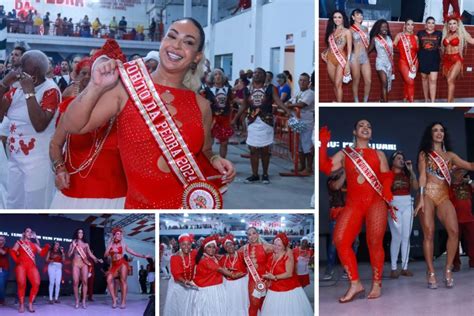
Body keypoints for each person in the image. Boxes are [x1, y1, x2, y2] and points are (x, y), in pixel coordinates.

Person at [61, 18, 236, 209]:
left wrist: (216, 159)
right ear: (162, 41)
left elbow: (205, 150)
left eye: (188, 42)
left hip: (183, 208)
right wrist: (95, 87)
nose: (177, 45)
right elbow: (73, 126)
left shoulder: (202, 105)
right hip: (139, 207)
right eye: (172, 36)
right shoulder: (126, 89)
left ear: (196, 56)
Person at [319, 120, 394, 301]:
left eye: (369, 126)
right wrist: (323, 145)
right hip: (354, 203)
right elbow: (326, 167)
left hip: (376, 202)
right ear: (354, 131)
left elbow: (386, 175)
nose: (366, 128)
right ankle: (355, 283)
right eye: (362, 126)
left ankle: (377, 283)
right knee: (340, 239)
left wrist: (388, 189)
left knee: (375, 241)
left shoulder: (379, 154)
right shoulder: (346, 154)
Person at [49, 49, 127, 209]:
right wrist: (59, 169)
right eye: (85, 74)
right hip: (72, 194)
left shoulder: (125, 112)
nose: (89, 78)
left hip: (116, 197)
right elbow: (55, 144)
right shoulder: (70, 110)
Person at [416, 122, 474, 289]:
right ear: (430, 134)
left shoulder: (450, 156)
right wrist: (420, 198)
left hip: (443, 195)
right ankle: (431, 271)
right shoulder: (424, 154)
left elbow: (469, 166)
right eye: (435, 130)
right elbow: (422, 176)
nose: (439, 133)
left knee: (454, 231)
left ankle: (448, 269)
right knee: (429, 233)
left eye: (441, 130)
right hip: (427, 193)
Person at [0, 50, 61, 209]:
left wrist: (29, 93)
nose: (17, 72)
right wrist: (3, 84)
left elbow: (39, 124)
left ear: (33, 75)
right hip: (15, 159)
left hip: (38, 162)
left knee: (36, 205)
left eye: (21, 69)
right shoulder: (16, 88)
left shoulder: (51, 90)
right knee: (13, 204)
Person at [232, 67, 289, 184]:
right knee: (253, 149)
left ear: (264, 76)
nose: (256, 75)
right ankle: (254, 174)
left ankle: (265, 174)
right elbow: (244, 105)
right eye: (255, 73)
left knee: (265, 150)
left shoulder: (270, 88)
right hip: (252, 121)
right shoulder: (247, 89)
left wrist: (286, 110)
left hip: (266, 121)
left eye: (259, 73)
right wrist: (235, 118)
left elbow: (277, 100)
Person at [261, 233, 313, 316]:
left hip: (287, 290)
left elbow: (289, 274)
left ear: (284, 246)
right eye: (275, 244)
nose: (276, 247)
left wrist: (274, 277)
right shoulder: (271, 255)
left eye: (279, 245)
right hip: (273, 289)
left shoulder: (288, 256)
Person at [192, 235, 245, 315]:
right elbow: (219, 269)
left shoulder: (213, 258)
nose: (212, 249)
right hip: (209, 291)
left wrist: (227, 270)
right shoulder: (206, 260)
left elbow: (218, 269)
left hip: (215, 288)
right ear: (204, 248)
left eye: (213, 247)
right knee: (211, 311)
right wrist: (233, 275)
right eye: (209, 247)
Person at [388, 151, 418, 278]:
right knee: (397, 236)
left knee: (406, 237)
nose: (401, 160)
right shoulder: (388, 173)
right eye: (398, 158)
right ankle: (394, 268)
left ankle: (404, 268)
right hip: (394, 204)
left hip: (407, 204)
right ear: (393, 161)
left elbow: (416, 187)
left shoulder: (407, 174)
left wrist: (411, 171)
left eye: (402, 158)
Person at [105, 227, 151, 309]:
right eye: (117, 234)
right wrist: (111, 249)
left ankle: (123, 302)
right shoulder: (110, 245)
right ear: (114, 235)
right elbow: (105, 255)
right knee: (108, 279)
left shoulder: (123, 244)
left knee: (123, 281)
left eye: (120, 234)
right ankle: (114, 300)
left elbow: (133, 252)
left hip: (122, 263)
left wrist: (143, 256)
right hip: (114, 265)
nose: (119, 235)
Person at [10, 228, 49, 313]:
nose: (29, 233)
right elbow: (12, 252)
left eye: (31, 232)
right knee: (21, 283)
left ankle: (31, 303)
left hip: (31, 266)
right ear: (24, 233)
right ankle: (21, 304)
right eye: (28, 231)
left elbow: (42, 253)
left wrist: (46, 247)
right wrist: (17, 261)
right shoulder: (19, 243)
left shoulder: (34, 244)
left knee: (36, 283)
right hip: (21, 266)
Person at [241, 227, 274, 316]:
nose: (252, 236)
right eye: (249, 234)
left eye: (254, 233)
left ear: (258, 234)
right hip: (252, 281)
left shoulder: (267, 247)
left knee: (265, 305)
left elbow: (280, 254)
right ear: (247, 237)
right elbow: (234, 256)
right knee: (254, 304)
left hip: (266, 280)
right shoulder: (243, 249)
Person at [286, 73, 314, 175]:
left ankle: (309, 168)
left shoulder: (310, 93)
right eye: (300, 80)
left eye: (304, 80)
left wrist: (291, 106)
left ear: (309, 82)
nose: (302, 82)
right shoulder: (298, 93)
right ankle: (301, 166)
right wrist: (291, 105)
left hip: (307, 123)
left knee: (307, 147)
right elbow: (288, 102)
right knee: (300, 147)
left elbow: (301, 105)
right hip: (298, 123)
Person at [441, 15, 474, 102]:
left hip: (456, 60)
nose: (452, 26)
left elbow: (472, 41)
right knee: (451, 82)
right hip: (446, 60)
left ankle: (448, 103)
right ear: (448, 25)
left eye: (454, 23)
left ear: (458, 24)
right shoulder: (445, 34)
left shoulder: (462, 34)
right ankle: (452, 100)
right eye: (450, 24)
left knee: (450, 80)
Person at [163, 233, 197, 315]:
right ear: (180, 245)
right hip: (177, 286)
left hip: (190, 285)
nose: (186, 246)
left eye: (188, 244)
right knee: (178, 308)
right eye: (183, 244)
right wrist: (184, 282)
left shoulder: (194, 253)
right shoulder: (175, 258)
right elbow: (177, 275)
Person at [68, 228, 103, 309]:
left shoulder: (86, 244)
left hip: (84, 264)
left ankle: (83, 300)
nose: (80, 234)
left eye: (82, 233)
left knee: (85, 282)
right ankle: (77, 300)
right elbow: (69, 255)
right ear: (76, 234)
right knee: (76, 282)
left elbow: (90, 255)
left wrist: (97, 259)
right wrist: (73, 247)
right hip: (76, 263)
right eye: (79, 232)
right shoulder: (73, 243)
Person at [322, 10, 352, 102]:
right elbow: (330, 46)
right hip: (330, 59)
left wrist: (347, 64)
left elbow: (350, 49)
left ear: (343, 19)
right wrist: (324, 52)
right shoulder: (331, 32)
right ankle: (338, 102)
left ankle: (339, 104)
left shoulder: (347, 31)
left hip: (341, 59)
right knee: (334, 84)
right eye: (335, 17)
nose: (337, 19)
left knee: (338, 84)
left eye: (339, 17)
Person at [204, 68, 234, 159]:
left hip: (224, 118)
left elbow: (233, 101)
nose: (218, 76)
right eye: (216, 74)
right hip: (212, 118)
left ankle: (223, 162)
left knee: (224, 142)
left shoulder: (228, 89)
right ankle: (209, 162)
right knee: (209, 142)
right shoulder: (207, 90)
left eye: (220, 74)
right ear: (213, 78)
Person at [451, 169, 474, 270]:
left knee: (472, 240)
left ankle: (473, 261)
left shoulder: (468, 185)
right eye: (459, 173)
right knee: (454, 242)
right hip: (455, 219)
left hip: (469, 218)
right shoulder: (450, 187)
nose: (462, 175)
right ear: (454, 175)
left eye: (463, 174)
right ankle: (456, 264)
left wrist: (469, 181)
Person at [221, 234, 249, 316]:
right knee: (231, 302)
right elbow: (221, 271)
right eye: (227, 246)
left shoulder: (242, 255)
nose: (229, 247)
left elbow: (250, 267)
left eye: (231, 245)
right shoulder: (223, 259)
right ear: (225, 249)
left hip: (241, 283)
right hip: (229, 284)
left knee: (241, 301)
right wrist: (226, 273)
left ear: (234, 245)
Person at [417, 16, 442, 102]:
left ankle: (433, 101)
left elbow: (443, 46)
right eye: (429, 23)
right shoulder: (420, 33)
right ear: (425, 24)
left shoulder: (439, 34)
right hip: (423, 58)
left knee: (433, 79)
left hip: (434, 59)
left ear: (435, 24)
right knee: (424, 79)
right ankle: (426, 99)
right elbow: (416, 46)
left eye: (433, 23)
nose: (431, 25)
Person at [393, 19, 419, 102]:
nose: (410, 26)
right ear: (405, 26)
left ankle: (405, 98)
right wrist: (400, 50)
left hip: (414, 62)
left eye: (412, 25)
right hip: (403, 61)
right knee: (411, 82)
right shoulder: (399, 36)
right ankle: (411, 101)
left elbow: (418, 49)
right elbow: (393, 47)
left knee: (407, 81)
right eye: (408, 24)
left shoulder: (416, 37)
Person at [368, 19, 393, 102]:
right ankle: (386, 104)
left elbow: (393, 49)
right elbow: (368, 50)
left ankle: (382, 99)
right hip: (380, 63)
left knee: (386, 84)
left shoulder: (389, 38)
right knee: (384, 82)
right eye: (382, 26)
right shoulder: (375, 38)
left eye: (386, 26)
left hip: (389, 63)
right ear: (379, 28)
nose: (384, 28)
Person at [349, 9, 371, 102]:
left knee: (368, 81)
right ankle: (356, 101)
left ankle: (365, 101)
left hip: (365, 57)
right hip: (355, 58)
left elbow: (368, 44)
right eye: (357, 15)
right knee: (356, 81)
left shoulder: (365, 29)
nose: (360, 16)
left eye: (361, 15)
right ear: (353, 17)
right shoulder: (349, 30)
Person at [0, 235, 9, 306]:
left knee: (2, 286)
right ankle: (1, 300)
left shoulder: (6, 248)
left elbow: (3, 253)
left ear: (4, 241)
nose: (0, 241)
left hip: (4, 269)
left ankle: (2, 300)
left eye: (2, 240)